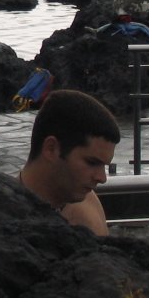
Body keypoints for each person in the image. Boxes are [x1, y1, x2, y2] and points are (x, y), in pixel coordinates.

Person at [18, 89, 120, 236]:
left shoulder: (86, 201)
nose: (102, 178)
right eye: (92, 162)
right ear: (51, 149)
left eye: (104, 166)